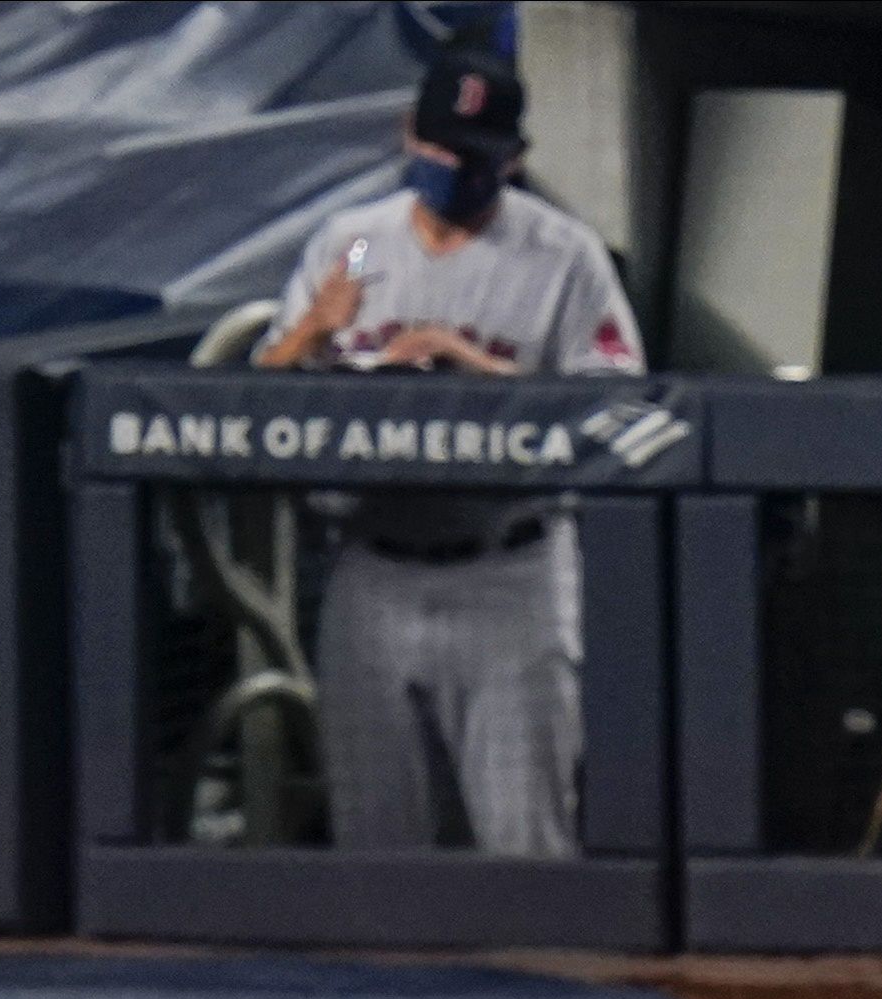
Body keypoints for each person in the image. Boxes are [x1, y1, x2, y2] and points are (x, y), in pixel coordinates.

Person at [259, 43, 643, 858]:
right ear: (408, 133)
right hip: (372, 570)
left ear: (512, 160)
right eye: (437, 147)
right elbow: (258, 393)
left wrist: (474, 370)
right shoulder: (355, 246)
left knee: (523, 840)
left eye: (473, 157)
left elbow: (617, 407)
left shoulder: (561, 255)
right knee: (374, 842)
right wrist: (314, 331)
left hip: (507, 575)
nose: (451, 169)